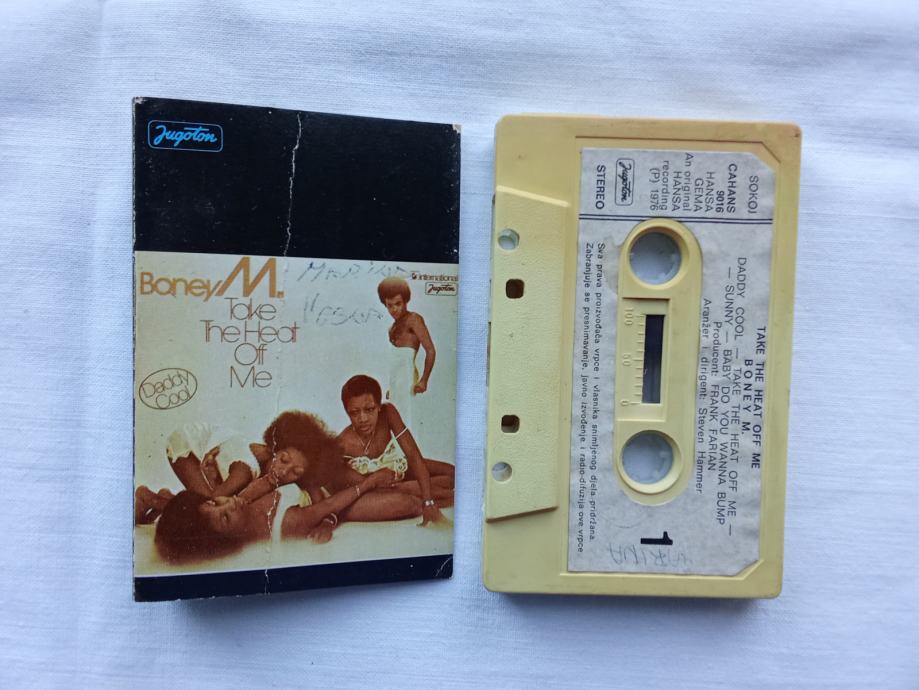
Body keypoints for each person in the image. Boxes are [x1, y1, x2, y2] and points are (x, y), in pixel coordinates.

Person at [337, 374, 454, 527]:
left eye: (369, 409)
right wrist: (423, 496)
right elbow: (355, 487)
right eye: (354, 412)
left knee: (452, 473)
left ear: (379, 406)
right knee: (414, 497)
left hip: (397, 467)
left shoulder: (387, 413)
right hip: (378, 487)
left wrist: (428, 499)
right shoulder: (343, 443)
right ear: (347, 412)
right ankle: (418, 489)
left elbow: (413, 454)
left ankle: (421, 489)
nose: (363, 418)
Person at [377, 276, 435, 431]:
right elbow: (395, 363)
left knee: (407, 421)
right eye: (389, 305)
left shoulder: (414, 319)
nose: (394, 309)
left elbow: (430, 350)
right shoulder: (391, 329)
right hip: (396, 385)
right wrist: (392, 387)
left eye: (398, 304)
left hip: (409, 381)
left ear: (405, 301)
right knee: (394, 423)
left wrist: (424, 380)